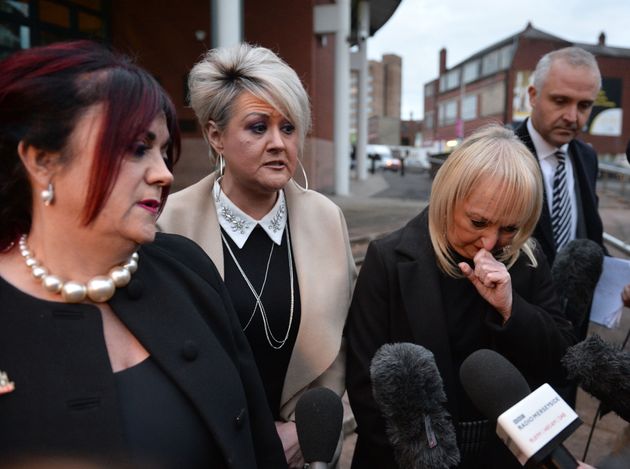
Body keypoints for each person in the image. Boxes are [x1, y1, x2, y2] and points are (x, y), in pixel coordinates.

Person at [0, 41, 286, 469]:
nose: (164, 173)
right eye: (137, 149)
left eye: (162, 149)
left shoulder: (186, 269)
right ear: (42, 161)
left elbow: (259, 443)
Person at [158, 43, 356, 468]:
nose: (278, 143)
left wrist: (308, 429)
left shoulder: (327, 219)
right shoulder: (168, 223)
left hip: (307, 452)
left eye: (288, 128)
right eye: (258, 127)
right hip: (206, 448)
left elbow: (345, 341)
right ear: (215, 135)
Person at [345, 125, 576, 469]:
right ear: (448, 198)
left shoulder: (526, 259)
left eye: (509, 228)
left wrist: (511, 308)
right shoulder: (389, 259)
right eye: (478, 222)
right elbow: (366, 384)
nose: (490, 242)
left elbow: (561, 359)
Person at [514, 46, 605, 267]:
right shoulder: (499, 155)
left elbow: (590, 235)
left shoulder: (587, 157)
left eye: (584, 105)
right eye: (560, 101)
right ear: (533, 96)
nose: (572, 117)